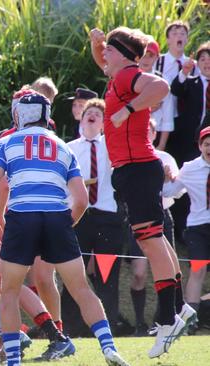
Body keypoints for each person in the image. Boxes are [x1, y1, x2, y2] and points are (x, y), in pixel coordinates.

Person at [0, 93, 128, 366]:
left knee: (11, 291)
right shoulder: (64, 146)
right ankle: (109, 347)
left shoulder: (6, 143)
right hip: (57, 217)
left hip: (21, 217)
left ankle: (13, 360)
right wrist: (64, 225)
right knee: (82, 288)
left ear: (18, 114)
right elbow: (82, 200)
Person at [90, 26, 195, 358]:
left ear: (122, 53)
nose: (103, 54)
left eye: (108, 49)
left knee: (150, 241)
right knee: (157, 240)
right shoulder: (119, 75)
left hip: (137, 169)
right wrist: (97, 45)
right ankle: (179, 310)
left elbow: (161, 86)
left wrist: (128, 110)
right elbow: (106, 63)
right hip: (134, 170)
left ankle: (168, 319)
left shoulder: (128, 76)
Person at [63, 99, 125, 336]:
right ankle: (70, 328)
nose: (92, 115)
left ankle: (107, 328)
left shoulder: (112, 146)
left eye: (98, 114)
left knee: (107, 274)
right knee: (73, 273)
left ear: (103, 122)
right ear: (81, 117)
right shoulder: (68, 148)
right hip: (78, 217)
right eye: (88, 112)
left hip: (107, 217)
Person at [129, 119, 181, 335]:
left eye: (148, 130)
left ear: (153, 133)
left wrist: (170, 180)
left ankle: (164, 320)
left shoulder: (165, 157)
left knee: (168, 268)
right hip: (139, 216)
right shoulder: (132, 158)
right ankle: (139, 322)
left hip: (162, 215)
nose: (144, 134)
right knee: (139, 273)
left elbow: (176, 192)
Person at [163, 126, 210, 330]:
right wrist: (166, 178)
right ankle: (191, 320)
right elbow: (172, 191)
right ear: (200, 146)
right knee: (198, 270)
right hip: (198, 227)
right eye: (207, 144)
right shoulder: (190, 168)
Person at [154, 21, 195, 161]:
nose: (179, 37)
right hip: (159, 120)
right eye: (175, 33)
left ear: (187, 39)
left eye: (183, 34)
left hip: (183, 120)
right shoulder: (157, 61)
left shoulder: (193, 65)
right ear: (168, 39)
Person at [170, 41, 210, 154]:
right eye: (203, 59)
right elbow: (175, 90)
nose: (207, 62)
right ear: (197, 64)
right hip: (190, 140)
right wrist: (184, 72)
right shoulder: (190, 82)